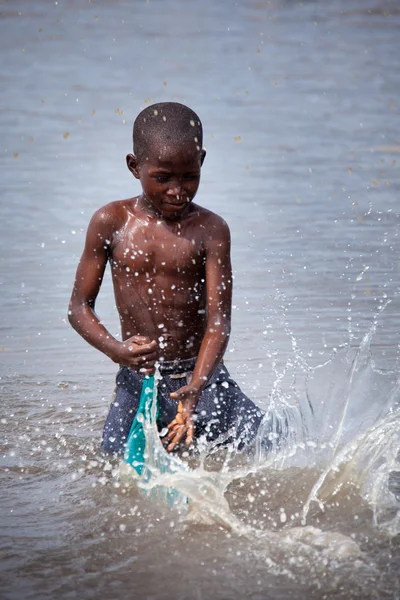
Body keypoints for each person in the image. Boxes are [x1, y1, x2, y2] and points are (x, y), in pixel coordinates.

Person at [68, 102, 265, 456]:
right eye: (162, 178)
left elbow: (219, 321)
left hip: (203, 377)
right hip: (138, 379)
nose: (177, 190)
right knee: (111, 465)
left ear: (201, 161)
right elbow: (78, 308)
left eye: (188, 177)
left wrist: (197, 386)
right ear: (134, 166)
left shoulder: (211, 230)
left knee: (264, 447)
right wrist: (117, 350)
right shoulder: (111, 222)